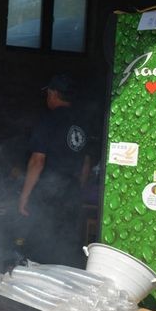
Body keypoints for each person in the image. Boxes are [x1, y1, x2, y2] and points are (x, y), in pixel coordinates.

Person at [17, 73, 91, 268]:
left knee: (41, 245)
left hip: (49, 194)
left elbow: (37, 161)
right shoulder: (82, 122)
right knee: (66, 245)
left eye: (48, 93)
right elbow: (86, 163)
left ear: (53, 93)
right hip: (72, 191)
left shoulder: (48, 121)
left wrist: (24, 195)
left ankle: (37, 288)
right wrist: (77, 191)